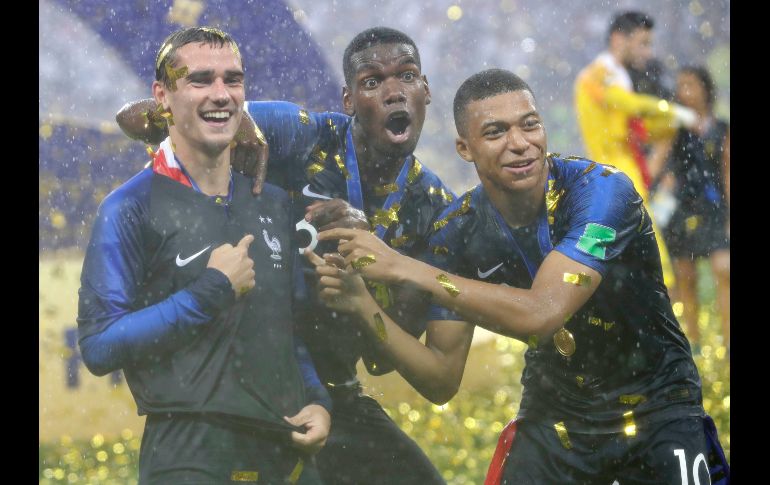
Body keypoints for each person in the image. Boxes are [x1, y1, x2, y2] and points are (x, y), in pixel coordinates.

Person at [312, 69, 729, 484]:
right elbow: (440, 380)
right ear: (464, 148)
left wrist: (405, 267)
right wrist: (363, 304)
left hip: (657, 409)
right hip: (554, 419)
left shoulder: (603, 192)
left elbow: (542, 314)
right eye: (495, 132)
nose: (519, 143)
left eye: (529, 125)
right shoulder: (457, 232)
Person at [116, 27, 450, 485]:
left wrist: (374, 268)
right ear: (349, 100)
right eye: (373, 81)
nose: (394, 92)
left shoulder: (434, 208)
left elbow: (383, 362)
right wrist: (239, 122)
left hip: (333, 395)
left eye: (407, 76)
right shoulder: (305, 132)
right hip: (239, 386)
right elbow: (131, 118)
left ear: (426, 90)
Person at [77, 27, 330, 484]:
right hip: (189, 456)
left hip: (287, 452)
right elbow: (99, 346)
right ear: (162, 96)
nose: (221, 94)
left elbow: (288, 331)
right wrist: (209, 292)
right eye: (200, 80)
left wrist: (316, 399)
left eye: (233, 79)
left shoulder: (273, 202)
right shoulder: (129, 207)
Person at [574, 10, 697, 287]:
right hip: (613, 168)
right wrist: (671, 111)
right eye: (643, 43)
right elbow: (627, 105)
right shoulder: (599, 73)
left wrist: (670, 121)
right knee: (638, 242)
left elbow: (637, 127)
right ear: (619, 40)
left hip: (621, 167)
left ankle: (584, 292)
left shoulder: (617, 74)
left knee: (605, 242)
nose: (648, 52)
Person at [658, 66, 730, 354]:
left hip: (714, 209)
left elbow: (727, 173)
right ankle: (693, 345)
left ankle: (727, 344)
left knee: (724, 271)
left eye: (690, 85)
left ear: (705, 89)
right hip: (680, 211)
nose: (684, 92)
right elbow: (661, 168)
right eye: (680, 86)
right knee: (685, 278)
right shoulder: (674, 130)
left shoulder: (721, 129)